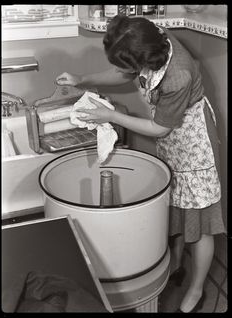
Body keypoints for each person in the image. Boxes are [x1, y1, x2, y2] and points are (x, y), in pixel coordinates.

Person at [56, 15, 226, 313]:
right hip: (173, 140)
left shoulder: (179, 75)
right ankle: (175, 265)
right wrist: (82, 80)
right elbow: (125, 72)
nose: (125, 71)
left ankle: (196, 291)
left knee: (200, 224)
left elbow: (161, 128)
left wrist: (110, 117)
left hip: (194, 144)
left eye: (127, 65)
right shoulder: (148, 35)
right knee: (174, 208)